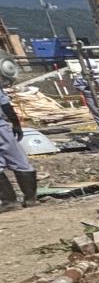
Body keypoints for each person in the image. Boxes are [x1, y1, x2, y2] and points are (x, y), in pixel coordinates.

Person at [0, 74, 38, 211]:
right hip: (2, 127)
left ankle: (9, 201)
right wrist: (16, 124)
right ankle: (30, 198)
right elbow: (5, 105)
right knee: (18, 160)